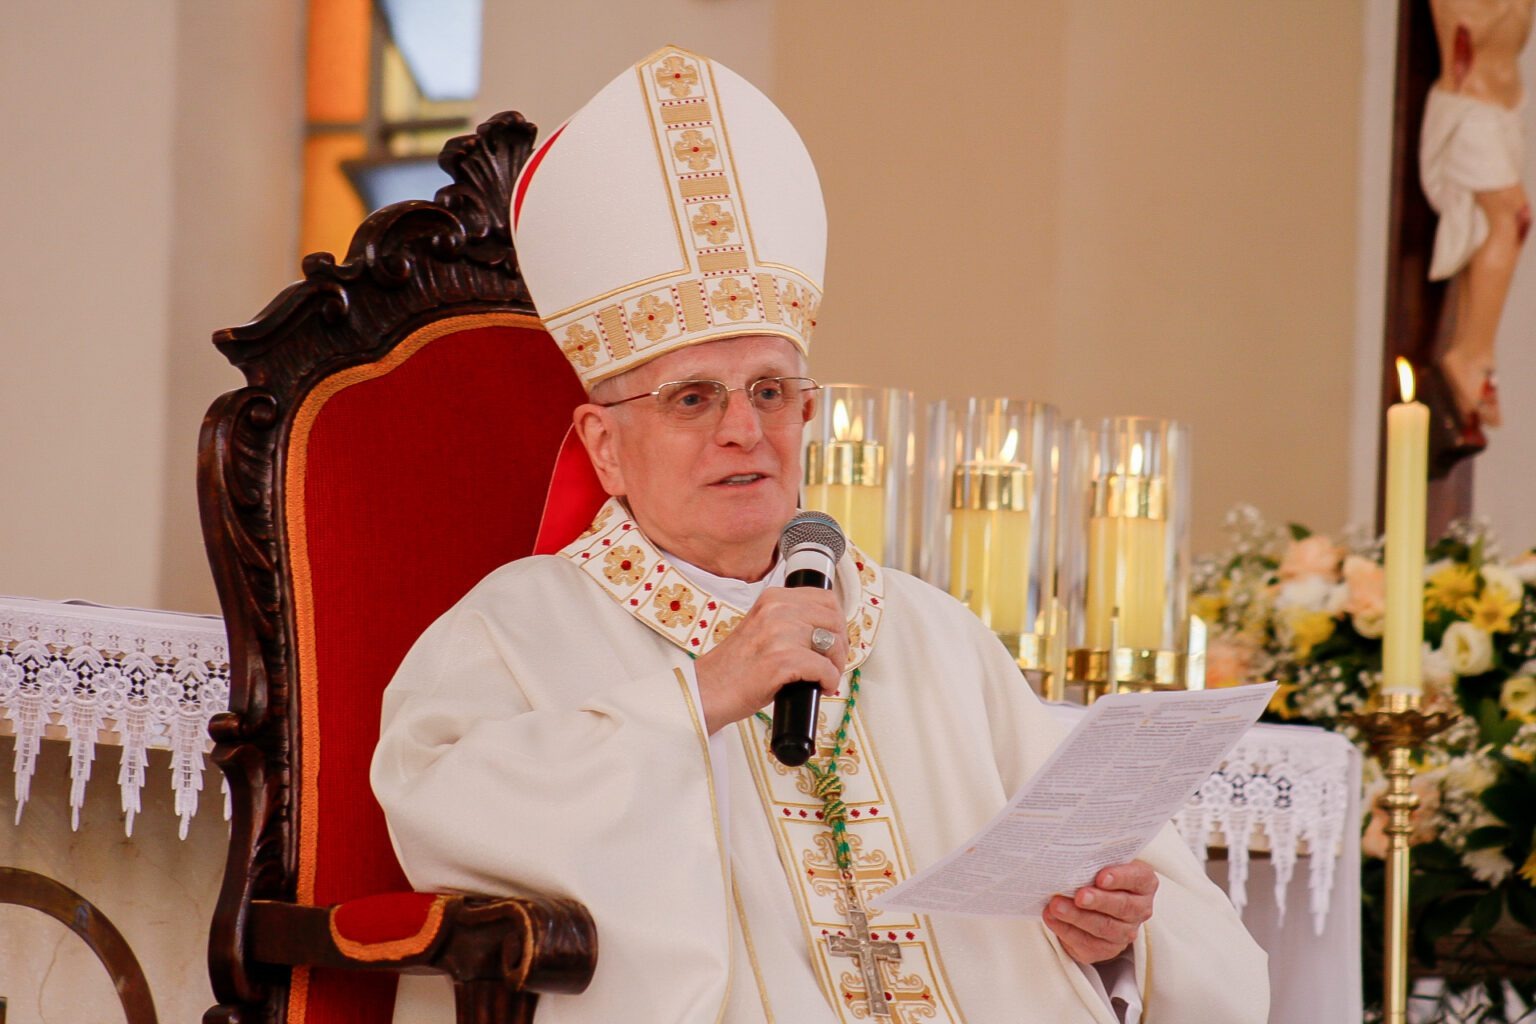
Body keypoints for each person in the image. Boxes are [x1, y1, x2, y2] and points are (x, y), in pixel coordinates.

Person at [372, 45, 1269, 1024]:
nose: (742, 429)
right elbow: (436, 804)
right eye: (692, 397)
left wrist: (1114, 937)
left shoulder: (929, 634)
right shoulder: (520, 626)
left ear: (808, 415)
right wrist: (700, 695)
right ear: (605, 445)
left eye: (770, 391)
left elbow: (1145, 898)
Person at [1420, 0, 1534, 437]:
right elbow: (1475, 25)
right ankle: (1473, 356)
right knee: (1514, 218)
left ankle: (1470, 351)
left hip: (1505, 112)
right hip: (1470, 111)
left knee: (1489, 230)